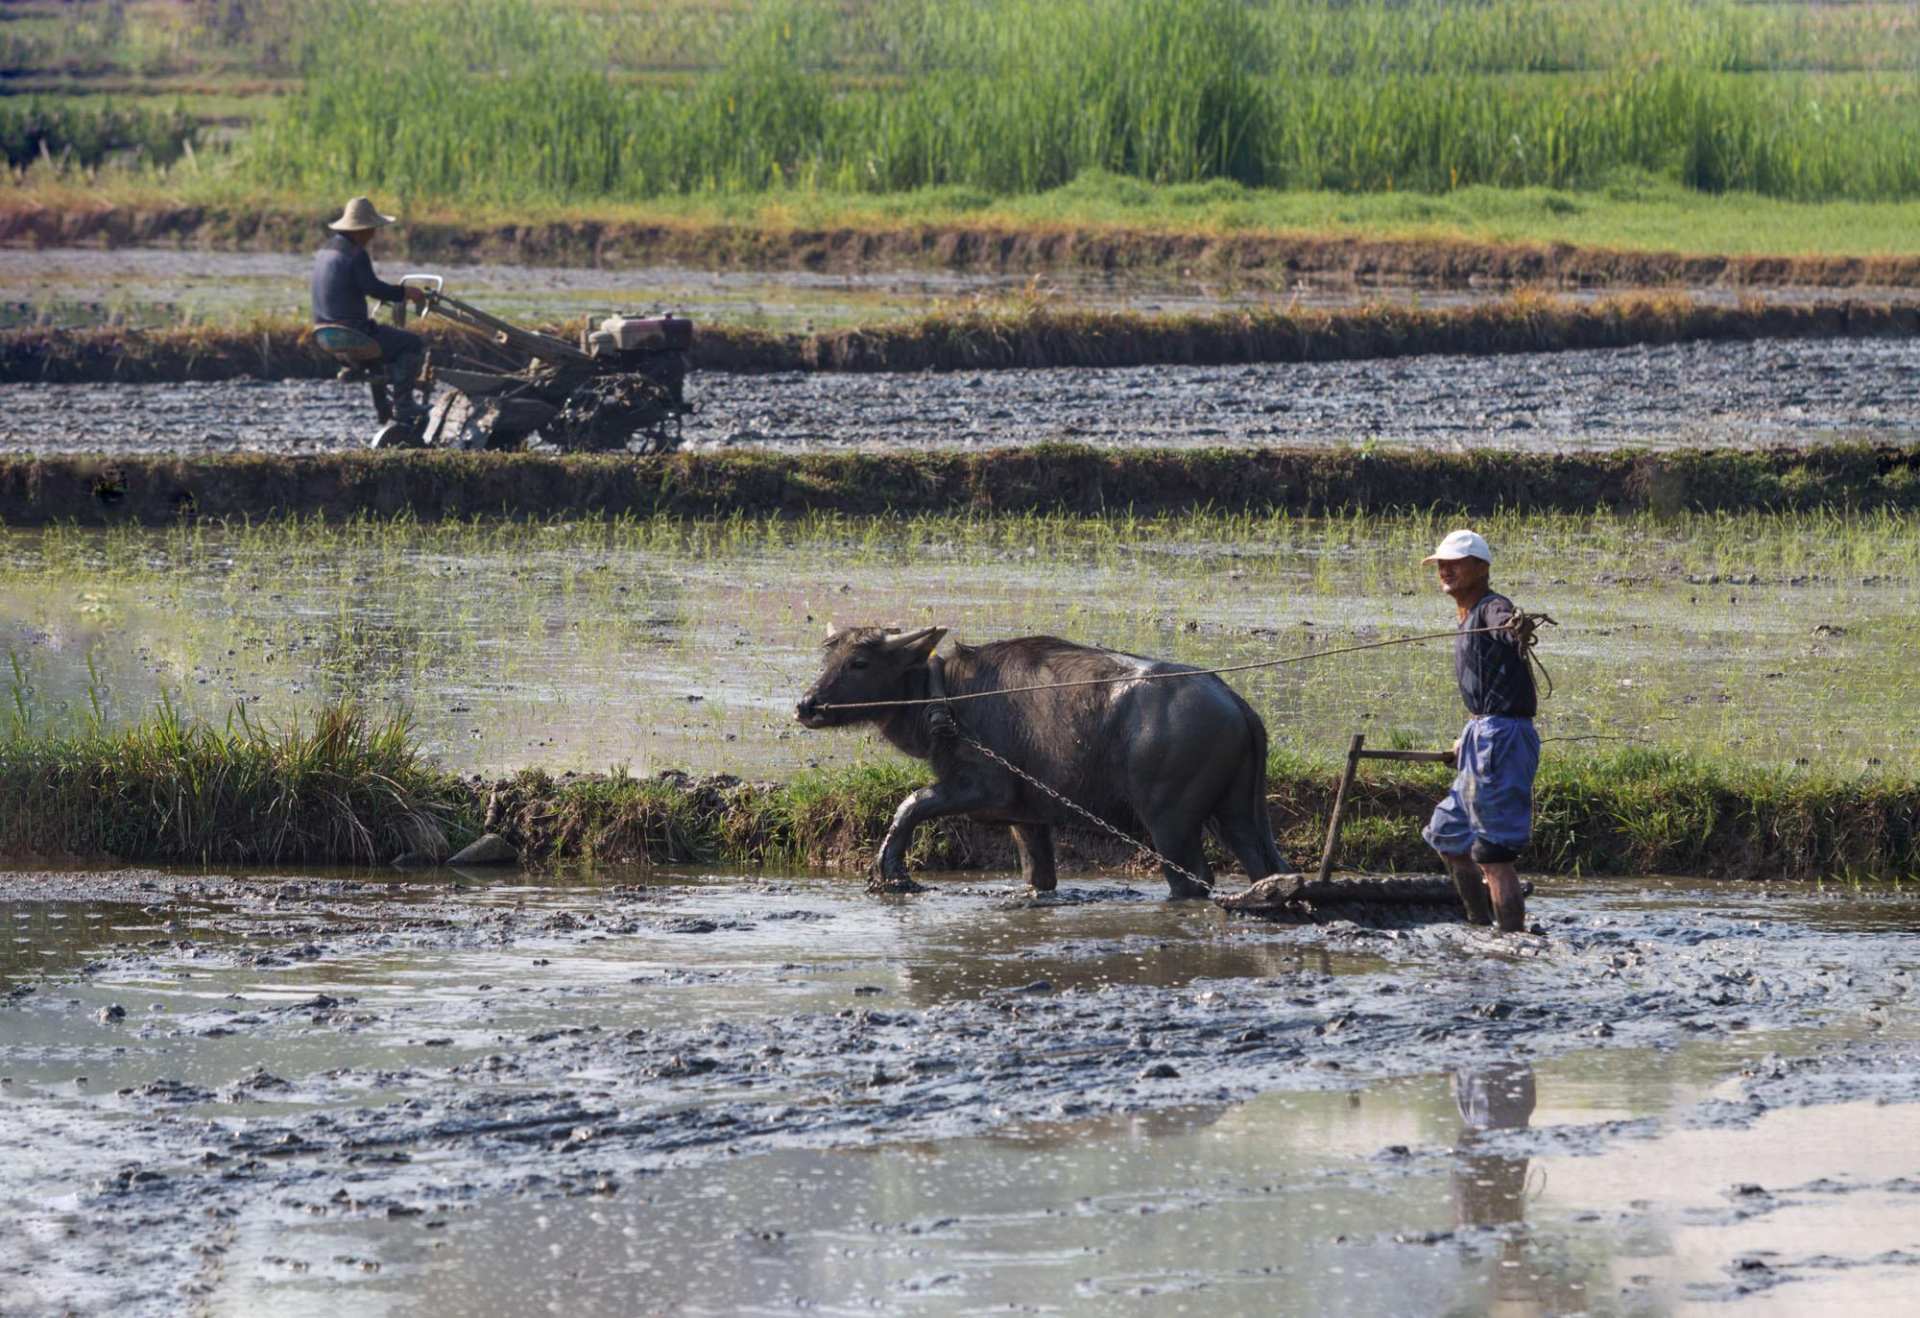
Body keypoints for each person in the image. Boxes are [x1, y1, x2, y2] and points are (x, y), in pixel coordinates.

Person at [1421, 529, 1539, 933]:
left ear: (1481, 568)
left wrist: (1516, 627)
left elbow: (1508, 624)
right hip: (1482, 733)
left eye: (1455, 563)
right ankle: (1477, 923)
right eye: (1441, 564)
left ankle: (1510, 940)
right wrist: (1468, 734)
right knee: (1449, 837)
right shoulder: (1467, 616)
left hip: (1501, 739)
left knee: (1493, 854)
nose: (1446, 570)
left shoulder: (1492, 608)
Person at [311, 196, 430, 418]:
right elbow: (373, 288)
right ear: (360, 230)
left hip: (324, 334)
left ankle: (383, 411)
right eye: (371, 229)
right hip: (352, 333)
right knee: (412, 343)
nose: (373, 234)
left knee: (379, 351)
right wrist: (406, 293)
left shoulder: (325, 251)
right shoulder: (355, 254)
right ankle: (404, 405)